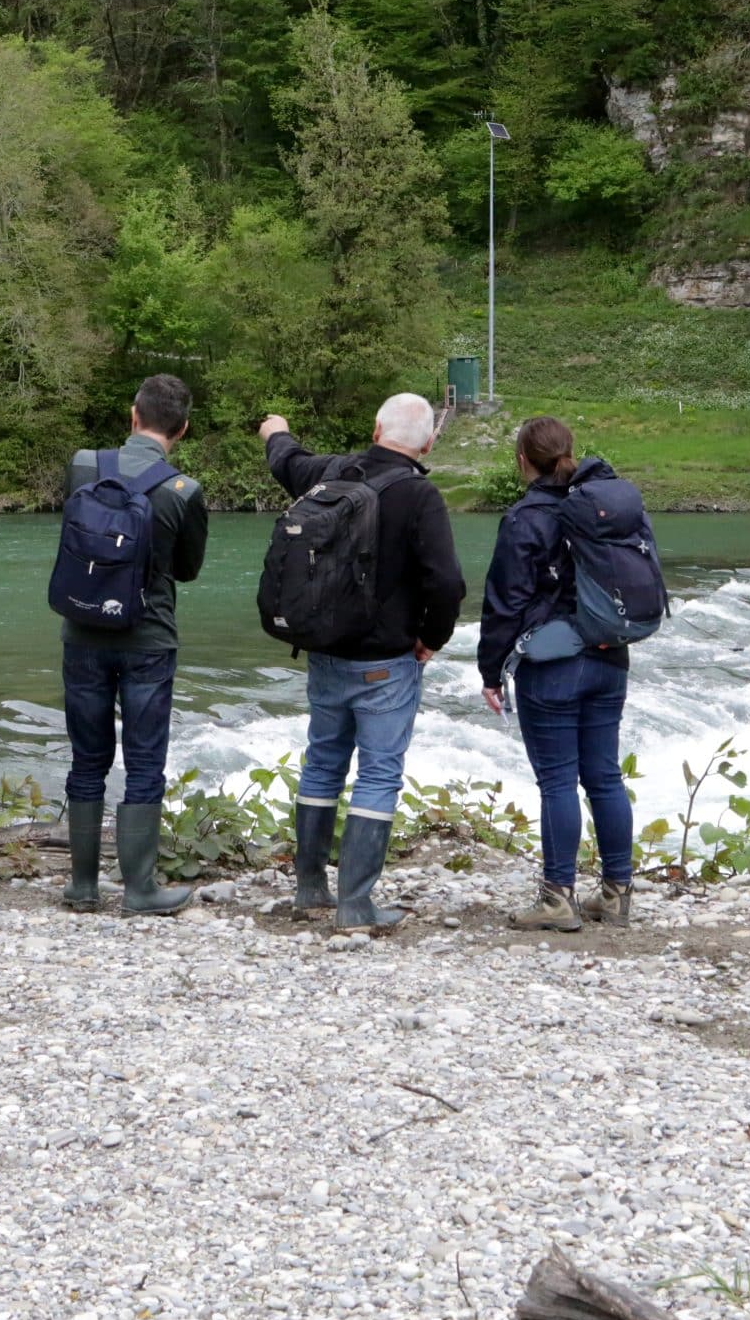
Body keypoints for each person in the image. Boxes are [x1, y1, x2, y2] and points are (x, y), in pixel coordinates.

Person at [260, 394, 467, 932]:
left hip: (326, 652)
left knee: (322, 761)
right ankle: (355, 905)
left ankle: (309, 890)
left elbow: (287, 460)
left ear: (375, 428)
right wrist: (433, 640)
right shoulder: (419, 494)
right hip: (385, 663)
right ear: (427, 442)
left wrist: (274, 430)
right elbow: (446, 582)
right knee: (378, 774)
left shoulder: (331, 474)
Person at [54, 374, 209, 916]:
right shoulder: (184, 491)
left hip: (84, 632)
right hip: (148, 638)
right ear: (182, 430)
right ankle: (139, 889)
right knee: (144, 761)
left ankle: (81, 885)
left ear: (132, 413)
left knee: (86, 758)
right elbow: (187, 571)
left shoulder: (83, 464)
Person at [478, 417, 638, 930]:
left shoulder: (528, 517)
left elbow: (505, 602)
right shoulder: (605, 504)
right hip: (610, 655)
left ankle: (557, 899)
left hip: (552, 667)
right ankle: (615, 893)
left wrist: (491, 670)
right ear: (571, 452)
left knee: (557, 783)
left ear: (523, 460)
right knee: (605, 777)